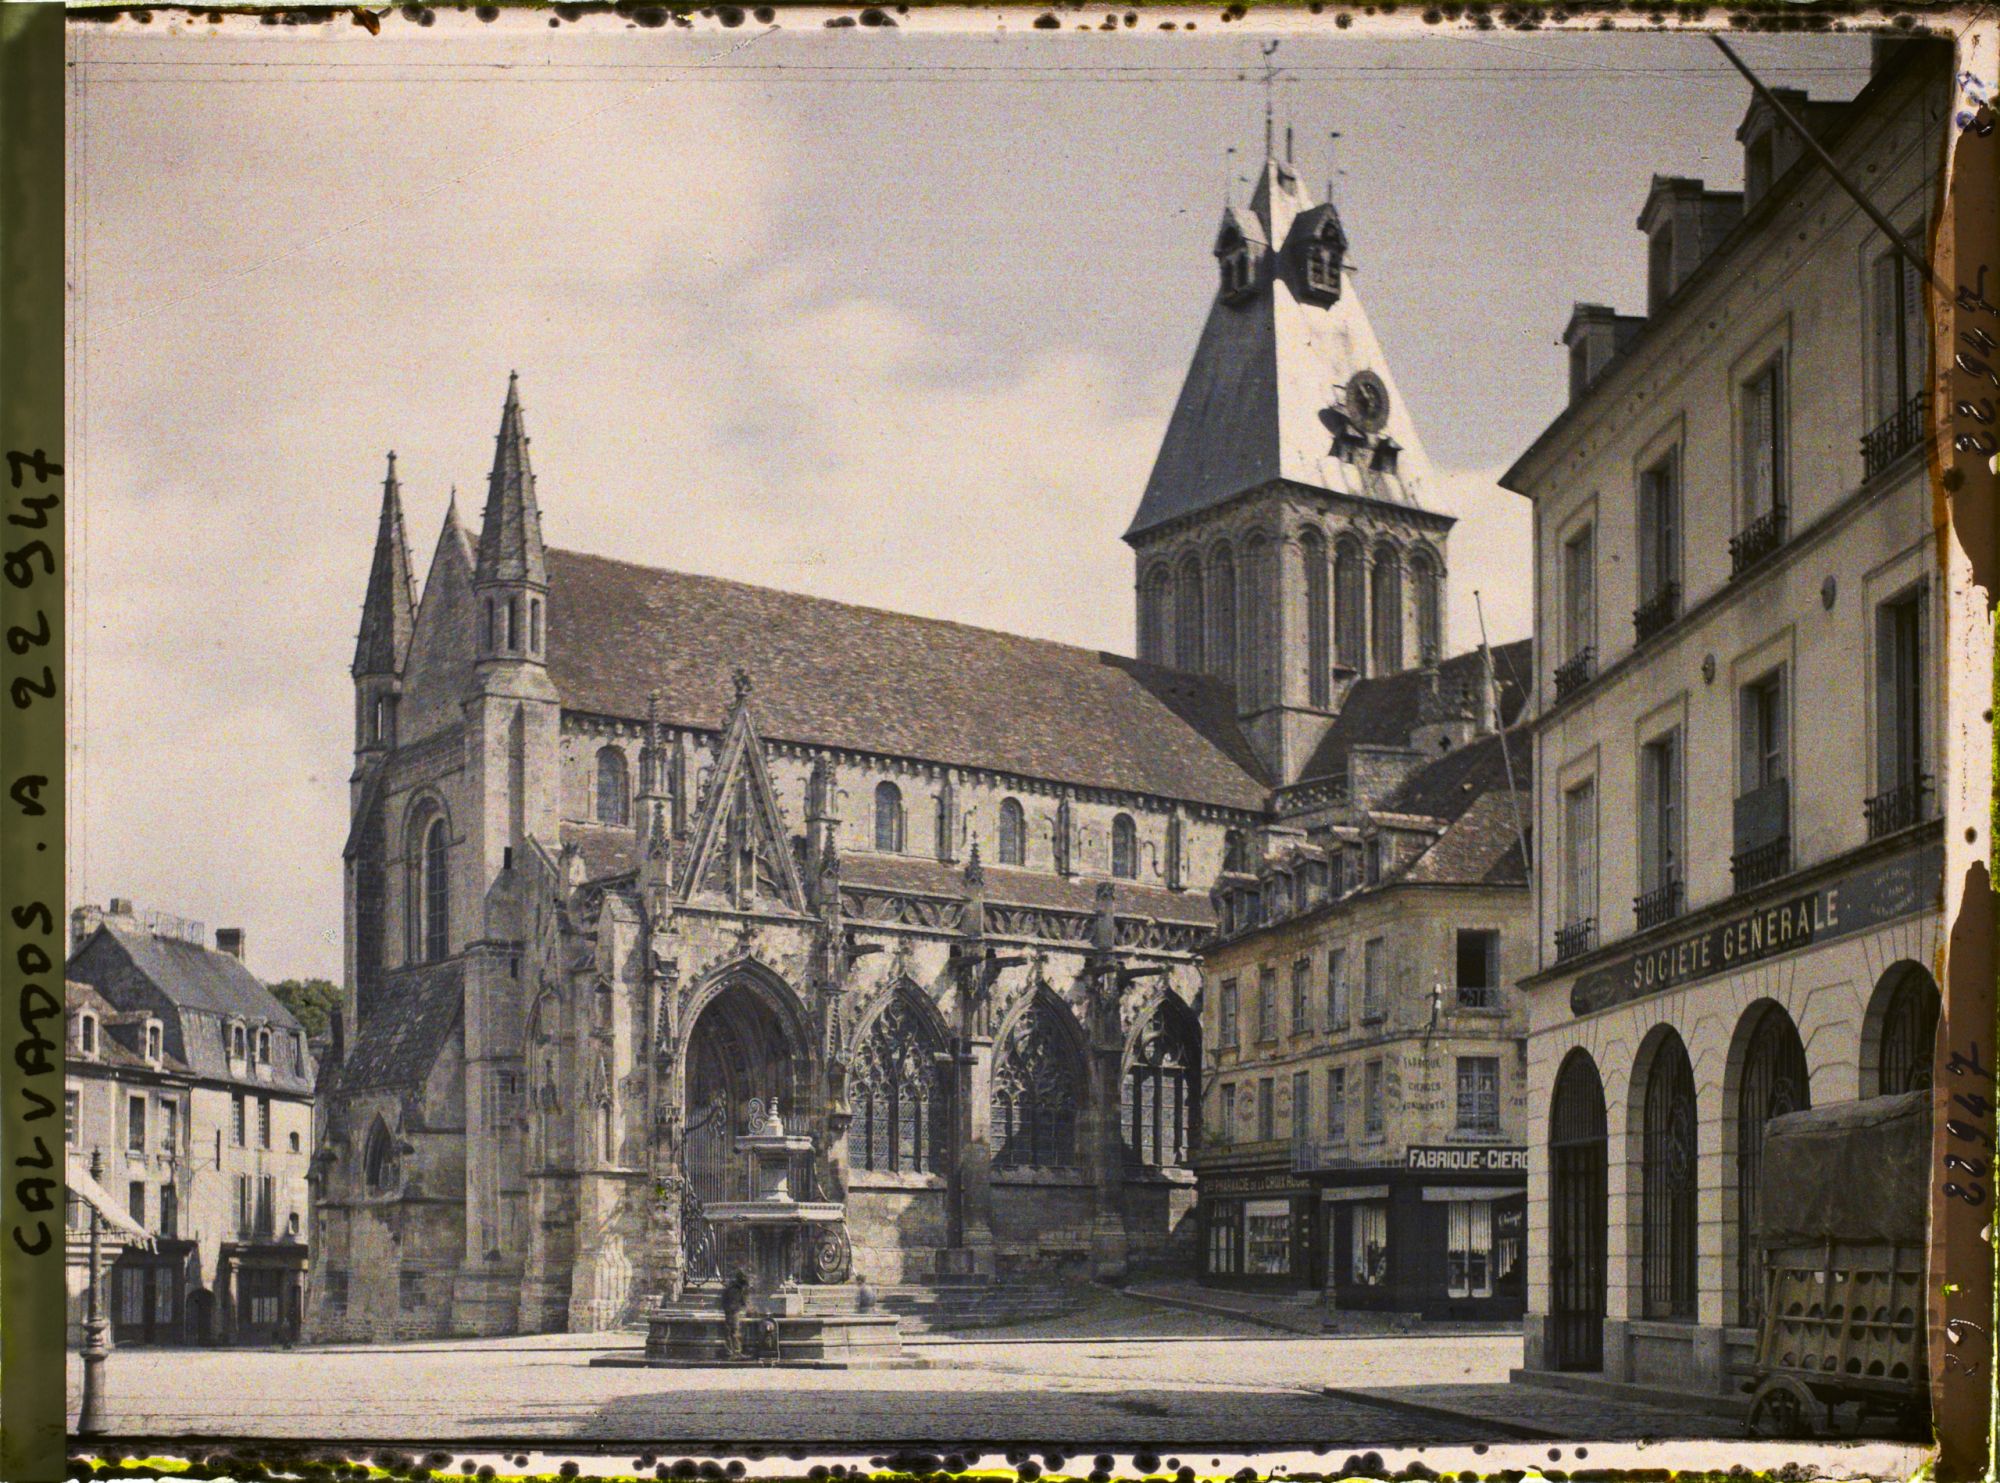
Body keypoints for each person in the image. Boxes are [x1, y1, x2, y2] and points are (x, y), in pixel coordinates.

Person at [720, 1270, 751, 1359]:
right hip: (734, 1312)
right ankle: (736, 1352)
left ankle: (730, 1352)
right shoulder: (738, 1289)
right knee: (735, 1332)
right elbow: (743, 1302)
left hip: (729, 1311)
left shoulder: (730, 1288)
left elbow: (723, 1300)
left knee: (730, 1332)